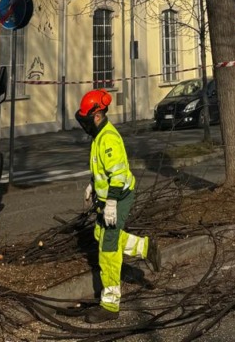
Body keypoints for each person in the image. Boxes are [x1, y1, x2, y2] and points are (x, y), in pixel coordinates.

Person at [76, 88, 160, 317]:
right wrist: (93, 184)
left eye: (85, 119)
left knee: (108, 250)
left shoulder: (108, 138)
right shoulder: (99, 136)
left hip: (118, 198)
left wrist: (112, 203)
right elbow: (103, 169)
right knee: (99, 235)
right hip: (107, 198)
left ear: (96, 115)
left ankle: (110, 304)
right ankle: (144, 247)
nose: (84, 124)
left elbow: (119, 175)